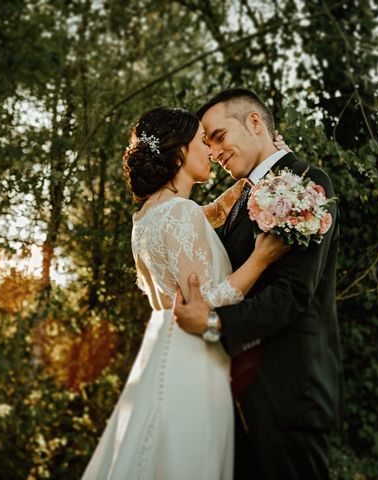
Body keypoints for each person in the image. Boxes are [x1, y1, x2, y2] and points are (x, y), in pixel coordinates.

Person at [82, 107, 290, 479]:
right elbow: (205, 303)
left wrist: (246, 187)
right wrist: (260, 259)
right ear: (179, 153)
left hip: (161, 350)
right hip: (195, 360)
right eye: (200, 142)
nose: (210, 151)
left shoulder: (146, 217)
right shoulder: (182, 214)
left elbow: (200, 220)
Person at [173, 88, 343, 480]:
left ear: (254, 123)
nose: (214, 152)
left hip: (287, 390)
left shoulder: (305, 182)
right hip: (237, 394)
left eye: (218, 137)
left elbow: (292, 294)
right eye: (207, 144)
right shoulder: (242, 198)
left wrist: (213, 324)